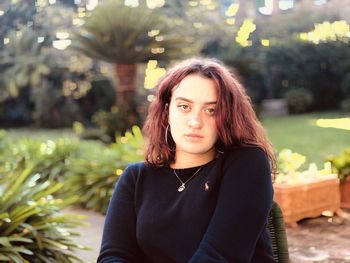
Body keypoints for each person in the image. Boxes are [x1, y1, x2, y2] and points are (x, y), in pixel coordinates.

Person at [98, 58, 277, 263]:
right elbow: (114, 256)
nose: (195, 122)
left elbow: (219, 257)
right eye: (184, 106)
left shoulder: (247, 163)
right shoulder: (136, 178)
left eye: (211, 110)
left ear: (226, 117)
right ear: (166, 112)